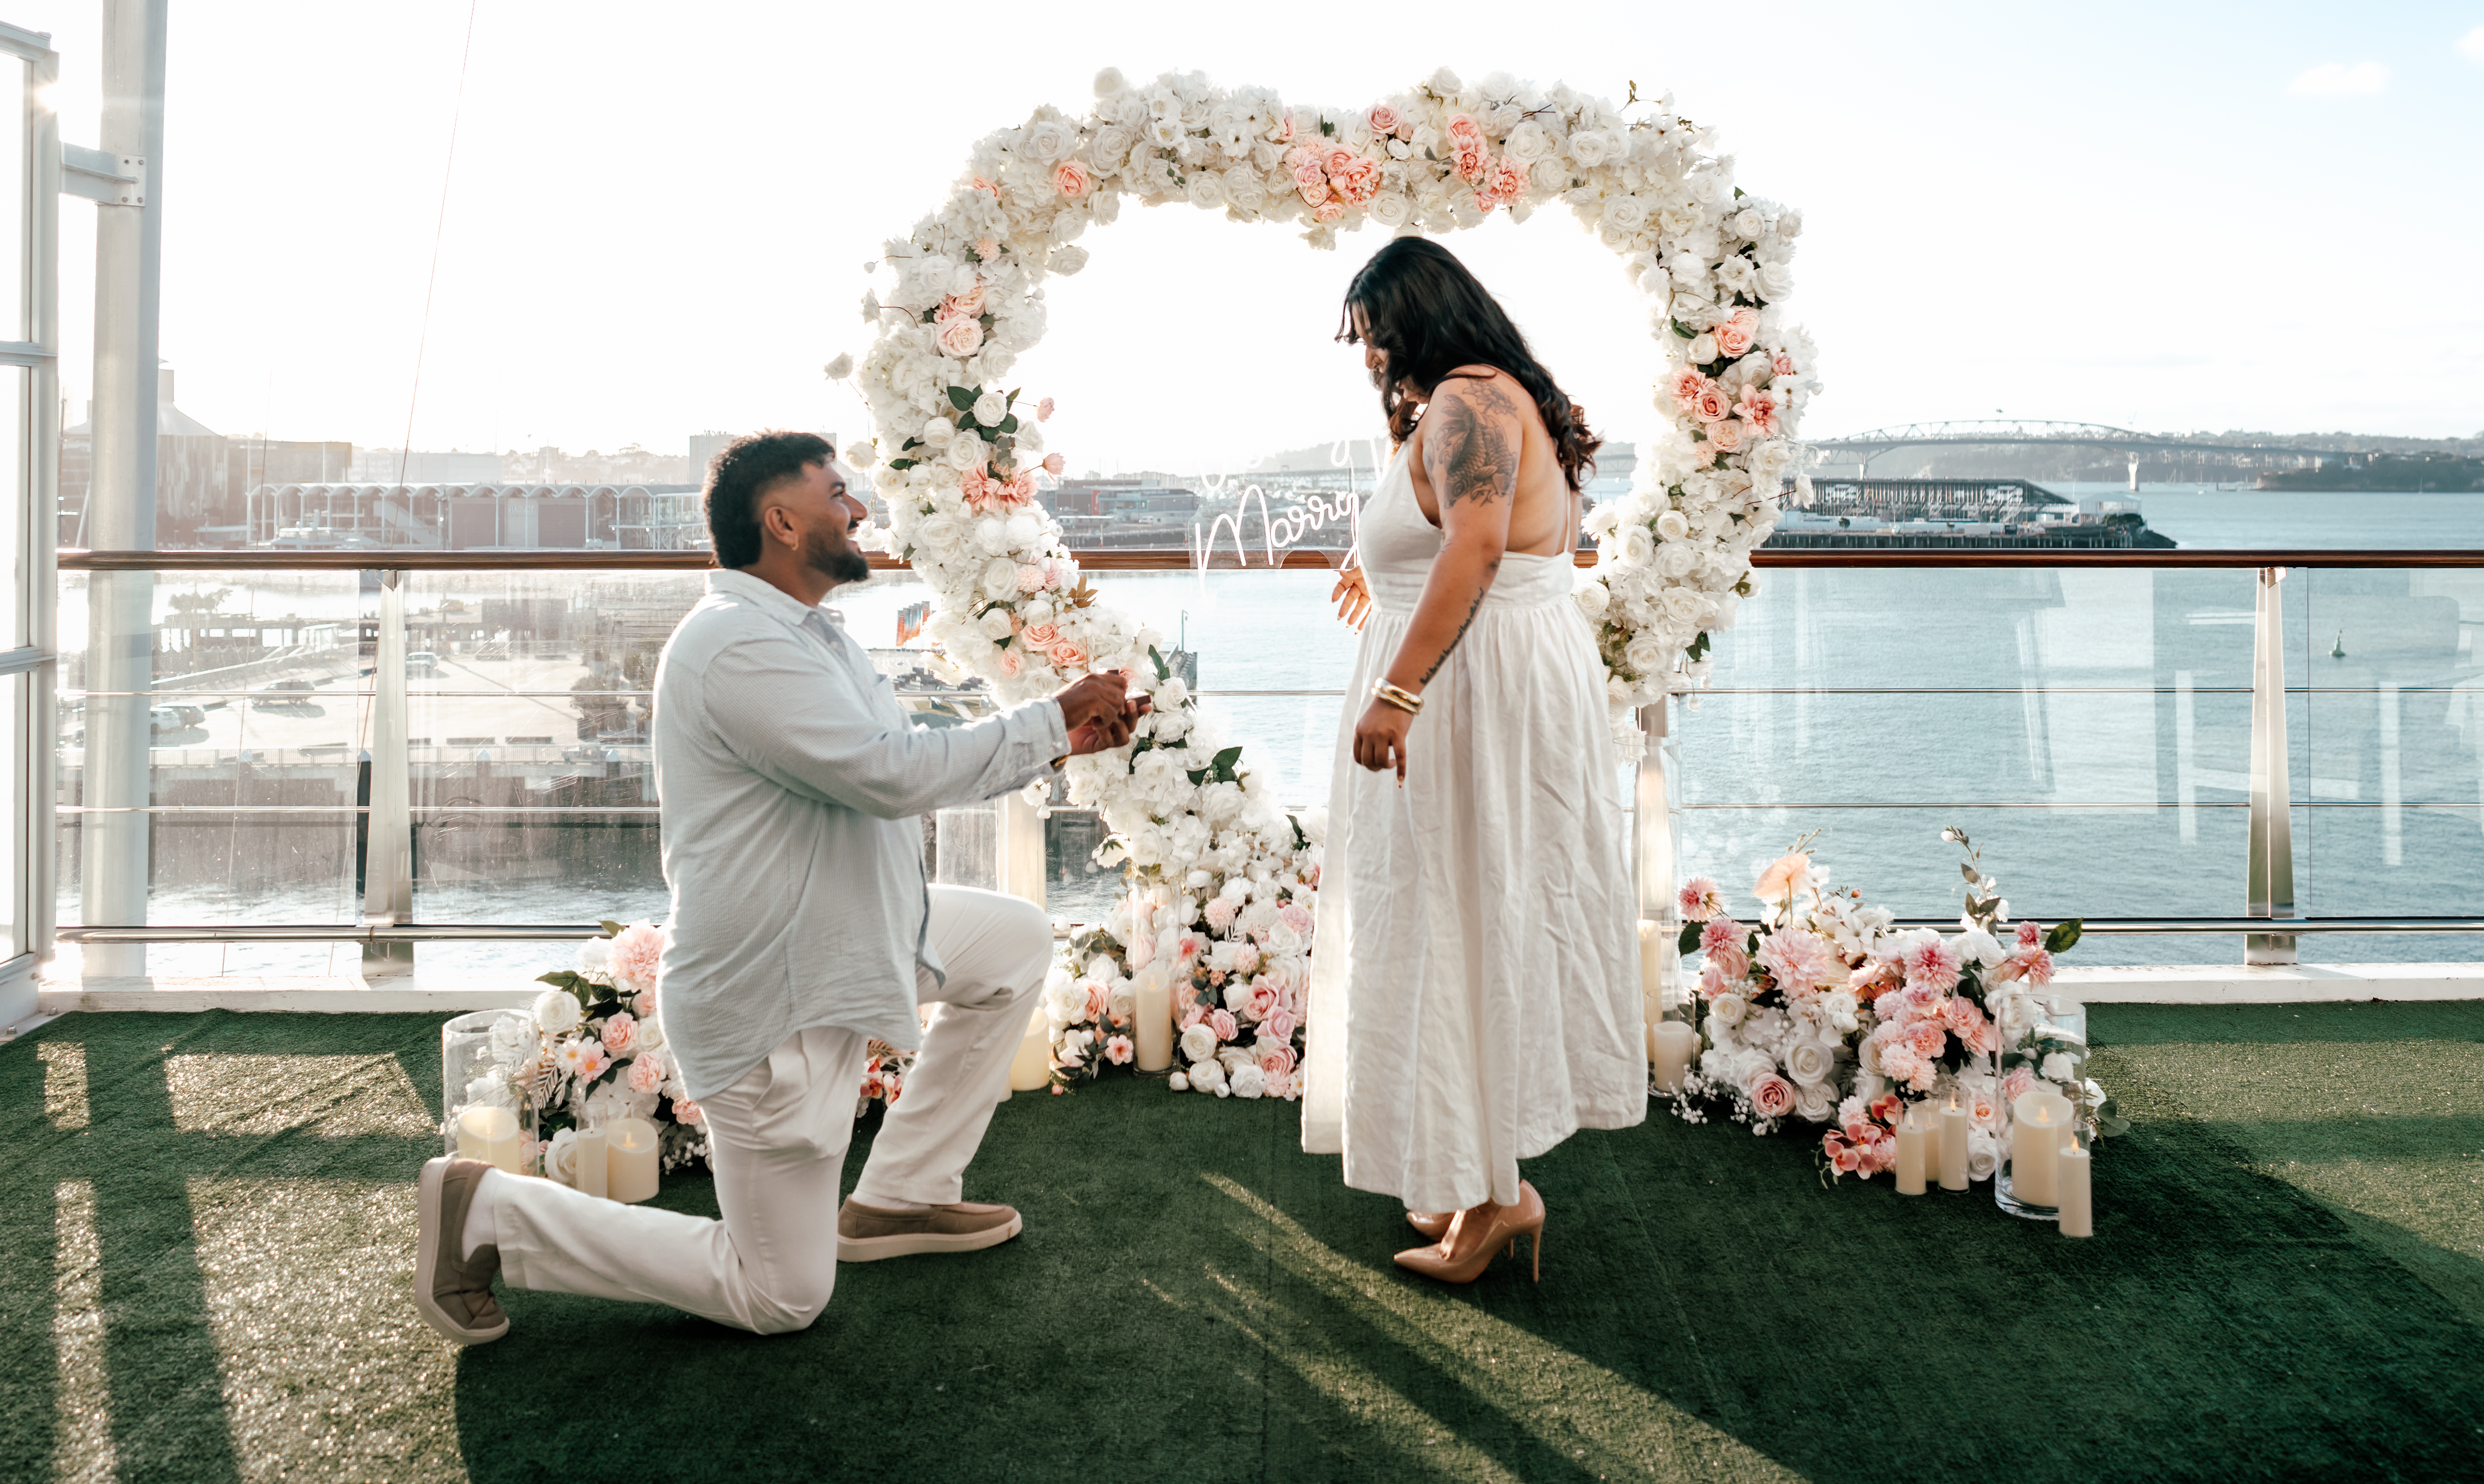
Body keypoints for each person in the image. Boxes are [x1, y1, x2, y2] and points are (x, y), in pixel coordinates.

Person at [413, 430, 1141, 1344]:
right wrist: (1049, 716)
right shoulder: (733, 646)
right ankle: (487, 1211)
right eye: (840, 493)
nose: (860, 508)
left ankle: (899, 1194)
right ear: (783, 520)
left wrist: (1060, 738)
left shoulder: (803, 634)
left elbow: (895, 770)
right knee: (782, 1295)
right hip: (771, 994)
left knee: (1014, 942)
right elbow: (886, 774)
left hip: (849, 936)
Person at [1302, 237, 1643, 1285]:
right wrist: (1385, 578)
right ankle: (1474, 1169)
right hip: (1487, 675)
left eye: (1373, 335)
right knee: (1457, 912)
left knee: (1453, 910)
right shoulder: (1485, 396)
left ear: (1416, 320)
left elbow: (1480, 546)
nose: (1368, 359)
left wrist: (1396, 688)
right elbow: (1457, 538)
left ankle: (1499, 1194)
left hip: (1468, 699)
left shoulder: (1467, 401)